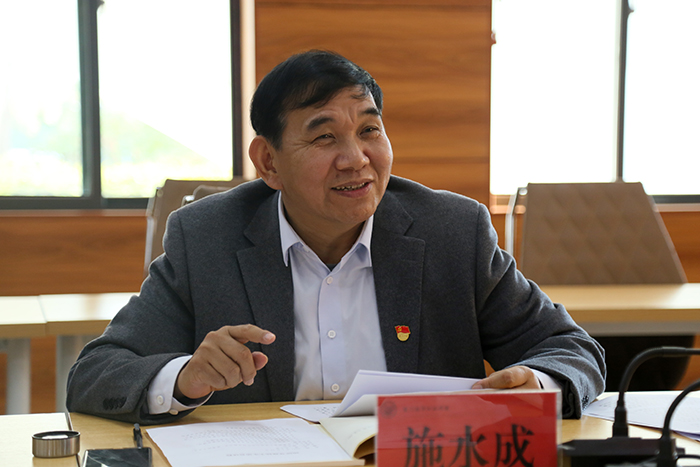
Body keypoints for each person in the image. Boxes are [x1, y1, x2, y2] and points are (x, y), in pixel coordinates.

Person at [66, 50, 605, 425]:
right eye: (325, 137)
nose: (356, 159)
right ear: (268, 161)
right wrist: (185, 377)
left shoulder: (452, 232)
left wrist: (538, 382)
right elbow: (96, 374)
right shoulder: (206, 238)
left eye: (369, 130)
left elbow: (572, 349)